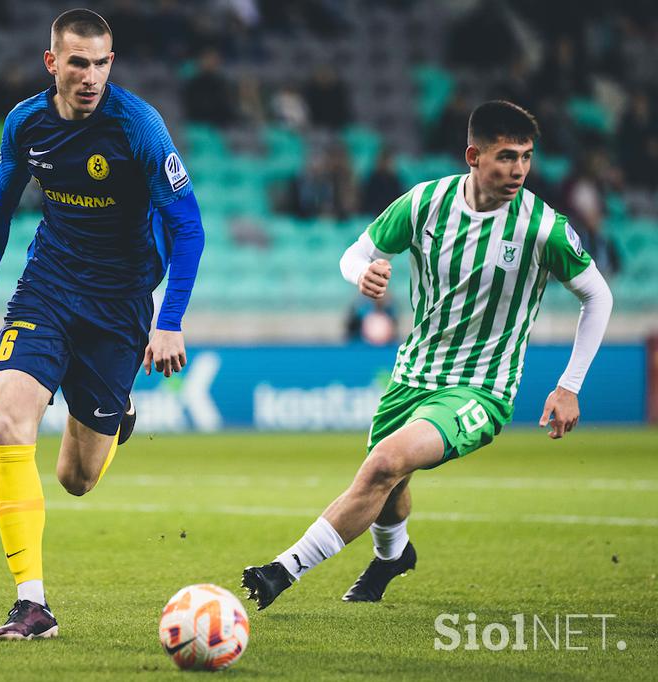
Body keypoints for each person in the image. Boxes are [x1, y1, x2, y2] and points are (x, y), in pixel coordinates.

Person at [242, 100, 612, 608]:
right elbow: (356, 253)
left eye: (526, 157)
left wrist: (569, 385)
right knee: (390, 484)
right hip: (413, 374)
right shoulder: (425, 204)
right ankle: (393, 556)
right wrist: (361, 274)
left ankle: (281, 571)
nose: (518, 170)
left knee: (384, 463)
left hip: (481, 387)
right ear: (473, 155)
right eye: (506, 156)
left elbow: (598, 295)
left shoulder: (542, 228)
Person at [0, 9, 204, 640]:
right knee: (9, 413)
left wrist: (168, 321)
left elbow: (189, 226)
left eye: (102, 63)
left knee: (76, 479)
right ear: (52, 63)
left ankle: (114, 420)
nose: (91, 76)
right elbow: (0, 200)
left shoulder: (139, 126)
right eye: (78, 63)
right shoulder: (25, 122)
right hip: (50, 286)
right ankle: (31, 604)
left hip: (120, 302)